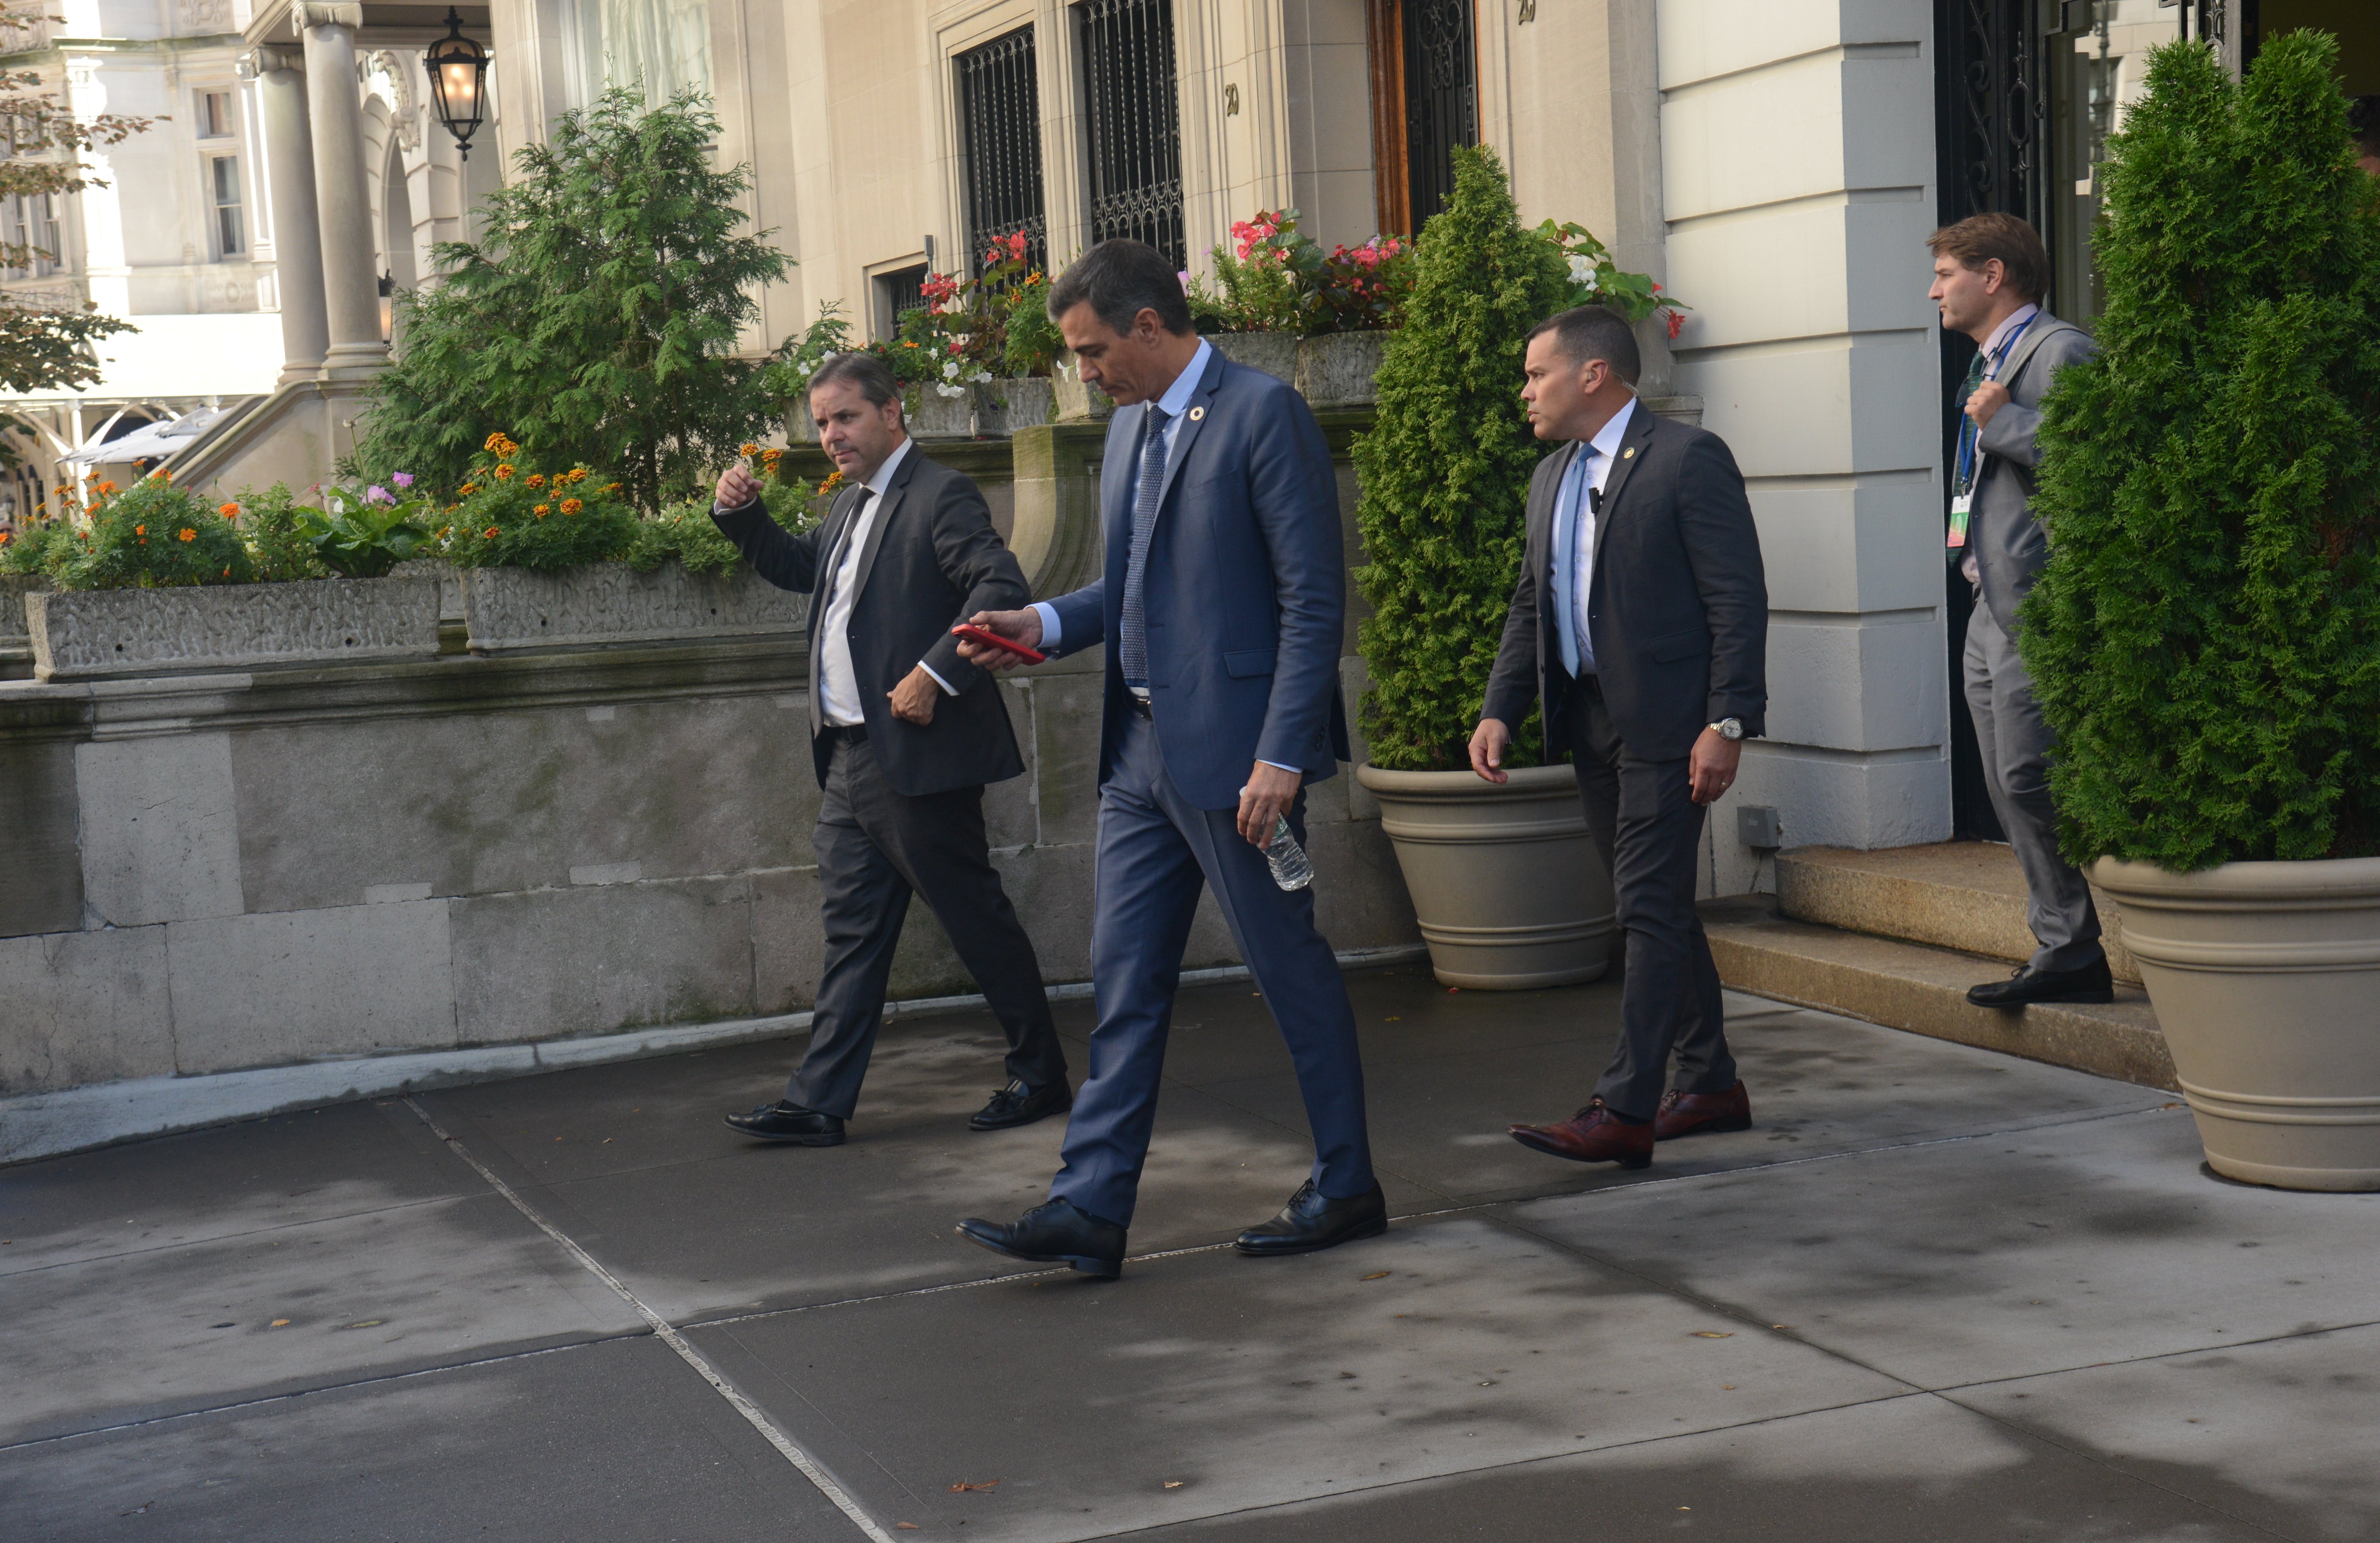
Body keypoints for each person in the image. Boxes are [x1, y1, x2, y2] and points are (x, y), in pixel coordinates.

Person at [951, 238, 1377, 1280]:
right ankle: (1089, 1206)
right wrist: (1041, 622)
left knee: (1288, 970)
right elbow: (1130, 586)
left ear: (1147, 324)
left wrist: (1281, 755)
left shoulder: (1264, 414)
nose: (1084, 373)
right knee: (1124, 981)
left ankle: (1347, 1183)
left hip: (1240, 766)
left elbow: (1312, 601)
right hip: (1137, 756)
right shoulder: (1130, 428)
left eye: (1091, 350)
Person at [710, 351, 1068, 1145]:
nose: (831, 435)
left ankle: (1042, 1075)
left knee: (974, 920)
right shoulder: (849, 504)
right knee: (853, 936)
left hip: (916, 757)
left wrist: (934, 675)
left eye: (845, 417)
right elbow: (803, 570)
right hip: (845, 760)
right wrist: (745, 517)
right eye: (822, 423)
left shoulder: (941, 494)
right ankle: (818, 1103)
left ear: (891, 412)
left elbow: (999, 586)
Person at [1473, 304, 1768, 1170]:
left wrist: (1727, 721)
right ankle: (1708, 1082)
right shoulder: (1551, 475)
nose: (1525, 390)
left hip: (1672, 726)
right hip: (1589, 718)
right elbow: (1531, 601)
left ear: (1592, 374)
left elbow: (1736, 599)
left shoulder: (1686, 459)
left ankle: (1624, 1105)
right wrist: (1500, 708)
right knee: (1656, 903)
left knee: (1644, 905)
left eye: (1537, 374)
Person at [1929, 213, 2109, 1008]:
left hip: (2036, 603)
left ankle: (2077, 939)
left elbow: (2099, 462)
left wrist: (2004, 423)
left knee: (2027, 773)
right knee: (2005, 783)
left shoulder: (2061, 351)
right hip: (1988, 600)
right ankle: (2065, 949)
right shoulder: (1989, 361)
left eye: (1946, 274)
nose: (1934, 291)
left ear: (1993, 275)